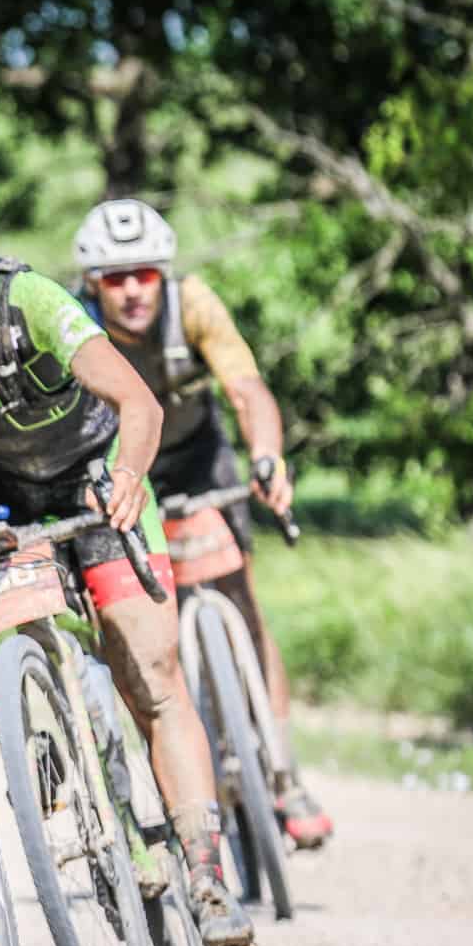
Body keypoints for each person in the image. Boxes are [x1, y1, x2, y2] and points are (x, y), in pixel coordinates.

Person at [0, 170, 254, 946]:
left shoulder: (27, 300)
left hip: (92, 478)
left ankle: (207, 875)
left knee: (150, 673)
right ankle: (9, 723)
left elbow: (140, 405)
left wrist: (128, 477)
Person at [72, 198, 334, 848]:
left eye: (145, 274)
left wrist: (267, 457)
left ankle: (284, 774)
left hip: (197, 458)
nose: (133, 291)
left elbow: (247, 389)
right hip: (121, 467)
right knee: (132, 628)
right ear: (92, 284)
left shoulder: (193, 303)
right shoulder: (73, 323)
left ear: (163, 273)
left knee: (241, 599)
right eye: (115, 277)